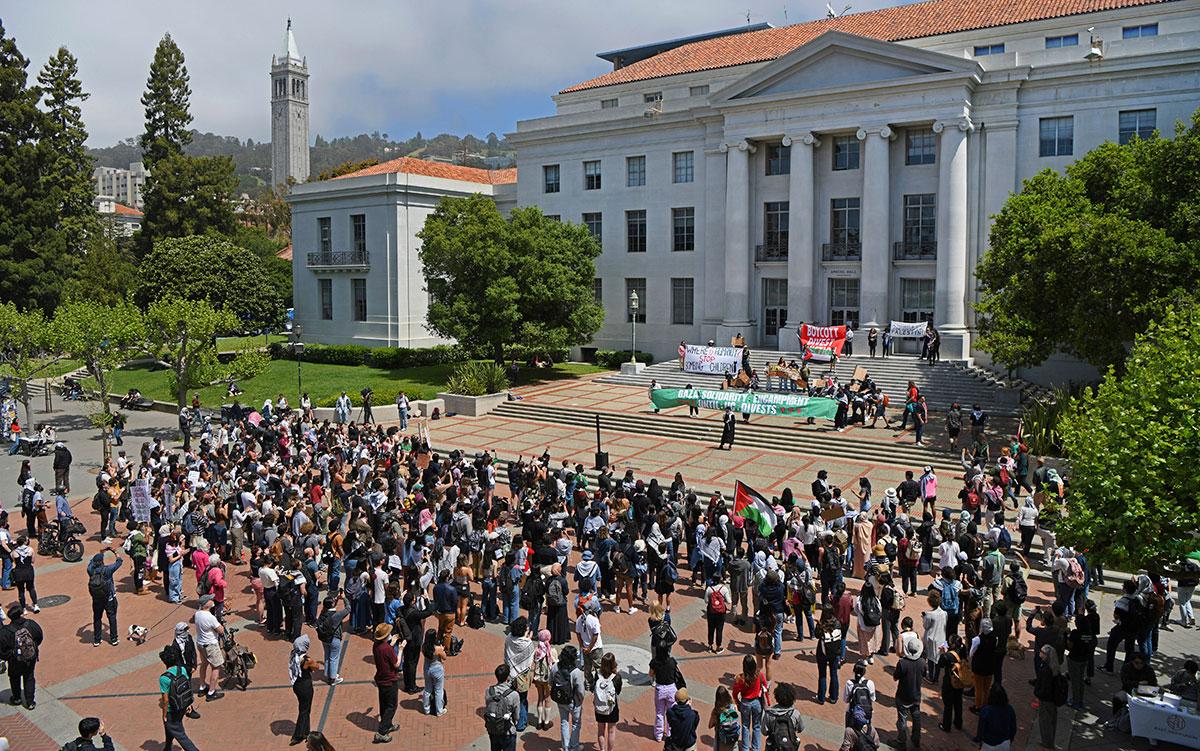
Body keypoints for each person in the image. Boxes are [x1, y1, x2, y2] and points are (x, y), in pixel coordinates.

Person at [0, 603, 42, 709]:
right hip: (30, 657)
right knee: (29, 677)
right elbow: (39, 636)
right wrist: (34, 647)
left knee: (14, 677)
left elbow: (1, 650)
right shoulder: (31, 624)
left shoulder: (5, 631)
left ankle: (17, 698)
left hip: (14, 660)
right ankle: (30, 702)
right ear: (21, 613)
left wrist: (8, 656)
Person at [159, 647, 200, 751]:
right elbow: (187, 687)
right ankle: (168, 747)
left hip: (171, 710)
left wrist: (164, 714)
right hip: (183, 705)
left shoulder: (164, 678)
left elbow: (165, 700)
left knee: (179, 733)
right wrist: (189, 704)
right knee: (171, 726)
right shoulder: (182, 669)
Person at [550, 644, 585, 751]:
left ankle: (565, 747)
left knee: (564, 722)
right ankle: (574, 747)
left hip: (560, 700)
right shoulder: (576, 672)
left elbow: (550, 682)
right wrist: (580, 701)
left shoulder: (555, 667)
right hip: (574, 702)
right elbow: (580, 691)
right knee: (576, 724)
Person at [86, 548, 123, 647]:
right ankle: (114, 638)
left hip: (97, 599)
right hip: (109, 598)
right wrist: (116, 552)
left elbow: (90, 562)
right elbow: (119, 562)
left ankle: (97, 640)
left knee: (97, 618)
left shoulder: (90, 570)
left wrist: (100, 552)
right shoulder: (107, 569)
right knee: (112, 617)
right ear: (102, 561)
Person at [894, 633, 925, 751]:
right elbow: (924, 674)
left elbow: (895, 677)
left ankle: (901, 742)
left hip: (903, 695)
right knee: (916, 717)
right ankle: (916, 739)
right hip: (916, 694)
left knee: (902, 719)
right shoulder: (922, 662)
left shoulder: (902, 663)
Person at [371, 623, 402, 743]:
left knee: (384, 703)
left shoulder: (376, 646)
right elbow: (396, 664)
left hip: (380, 679)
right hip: (389, 680)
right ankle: (382, 731)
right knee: (391, 706)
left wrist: (391, 643)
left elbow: (385, 653)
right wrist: (400, 650)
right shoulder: (388, 649)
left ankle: (387, 723)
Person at [504, 616, 535, 732]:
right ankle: (521, 723)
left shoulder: (509, 638)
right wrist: (529, 638)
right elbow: (530, 660)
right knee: (522, 700)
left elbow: (507, 656)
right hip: (522, 677)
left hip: (510, 674)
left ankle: (512, 720)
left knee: (512, 700)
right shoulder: (528, 644)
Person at [732, 654, 768, 751]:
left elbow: (735, 693)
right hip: (757, 702)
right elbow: (765, 688)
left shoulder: (740, 678)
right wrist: (768, 702)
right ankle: (756, 748)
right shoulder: (759, 675)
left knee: (745, 726)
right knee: (757, 726)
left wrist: (737, 702)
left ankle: (745, 748)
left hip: (745, 703)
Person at [288, 635, 320, 745]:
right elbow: (316, 667)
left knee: (304, 708)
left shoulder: (294, 654)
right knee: (305, 710)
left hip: (296, 685)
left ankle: (306, 731)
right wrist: (312, 662)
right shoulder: (307, 660)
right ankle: (298, 735)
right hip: (305, 686)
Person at [1033, 644, 1065, 749]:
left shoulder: (1046, 669)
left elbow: (1045, 687)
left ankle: (1047, 744)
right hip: (1052, 699)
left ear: (1046, 655)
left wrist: (1038, 693)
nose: (1039, 653)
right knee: (1051, 721)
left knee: (1045, 722)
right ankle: (1049, 741)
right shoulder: (1054, 667)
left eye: (1041, 652)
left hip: (1046, 699)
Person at [194, 595, 225, 702]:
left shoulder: (197, 614)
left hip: (200, 643)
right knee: (216, 667)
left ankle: (202, 687)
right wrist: (221, 626)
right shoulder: (210, 617)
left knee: (204, 664)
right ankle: (211, 692)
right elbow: (220, 630)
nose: (213, 601)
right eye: (211, 600)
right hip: (210, 644)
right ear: (206, 603)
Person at [651, 648, 684, 744]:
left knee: (659, 713)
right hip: (671, 689)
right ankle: (670, 734)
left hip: (660, 689)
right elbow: (676, 673)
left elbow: (650, 674)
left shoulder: (654, 662)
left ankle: (658, 735)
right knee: (671, 713)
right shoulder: (672, 661)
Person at [484, 663, 521, 751]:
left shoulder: (489, 690)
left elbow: (488, 706)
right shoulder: (514, 695)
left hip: (493, 729)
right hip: (507, 730)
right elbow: (517, 716)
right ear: (508, 677)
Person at [593, 652, 623, 751]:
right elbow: (618, 692)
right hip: (611, 707)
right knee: (611, 731)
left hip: (599, 707)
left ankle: (602, 749)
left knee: (601, 731)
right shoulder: (617, 677)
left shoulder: (597, 675)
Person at [761, 682, 804, 751]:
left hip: (773, 747)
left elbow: (764, 732)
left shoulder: (769, 714)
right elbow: (800, 729)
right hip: (790, 747)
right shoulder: (795, 713)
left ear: (777, 697)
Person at [976, 685, 1017, 751]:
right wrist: (1009, 740)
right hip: (1004, 743)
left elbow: (981, 729)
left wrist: (979, 739)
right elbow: (1013, 728)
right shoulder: (1009, 709)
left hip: (988, 744)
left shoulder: (986, 710)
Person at [815, 609, 843, 705]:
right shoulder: (837, 623)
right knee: (834, 674)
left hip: (822, 652)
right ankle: (833, 697)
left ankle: (821, 698)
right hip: (834, 652)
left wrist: (818, 624)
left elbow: (816, 635)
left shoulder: (821, 624)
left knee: (822, 675)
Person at [532, 628, 556, 730]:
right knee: (547, 699)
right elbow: (555, 664)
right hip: (548, 678)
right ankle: (546, 722)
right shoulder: (552, 650)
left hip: (538, 677)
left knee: (540, 697)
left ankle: (539, 721)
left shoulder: (537, 650)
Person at [422, 627, 448, 716]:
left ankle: (426, 709)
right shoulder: (437, 649)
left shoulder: (424, 647)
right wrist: (442, 649)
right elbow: (444, 657)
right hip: (437, 670)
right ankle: (439, 711)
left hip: (427, 669)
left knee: (427, 689)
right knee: (438, 690)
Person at [10, 535, 38, 613]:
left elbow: (14, 561)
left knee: (21, 591)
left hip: (19, 573)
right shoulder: (30, 550)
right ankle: (35, 605)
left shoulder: (14, 552)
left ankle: (24, 609)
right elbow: (32, 561)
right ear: (25, 542)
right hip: (29, 571)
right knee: (31, 588)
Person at [710, 685, 740, 751]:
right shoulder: (734, 706)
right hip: (733, 739)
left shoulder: (717, 711)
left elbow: (710, 725)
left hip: (722, 741)